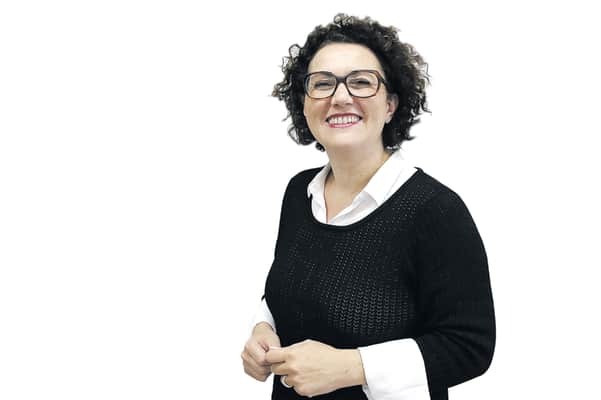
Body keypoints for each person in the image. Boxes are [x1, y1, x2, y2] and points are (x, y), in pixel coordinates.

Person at [241, 14, 495, 400]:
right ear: (304, 105)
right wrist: (264, 327)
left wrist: (352, 367)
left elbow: (469, 346)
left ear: (391, 104)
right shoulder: (299, 193)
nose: (340, 97)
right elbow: (290, 291)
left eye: (361, 82)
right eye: (322, 83)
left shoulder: (435, 210)